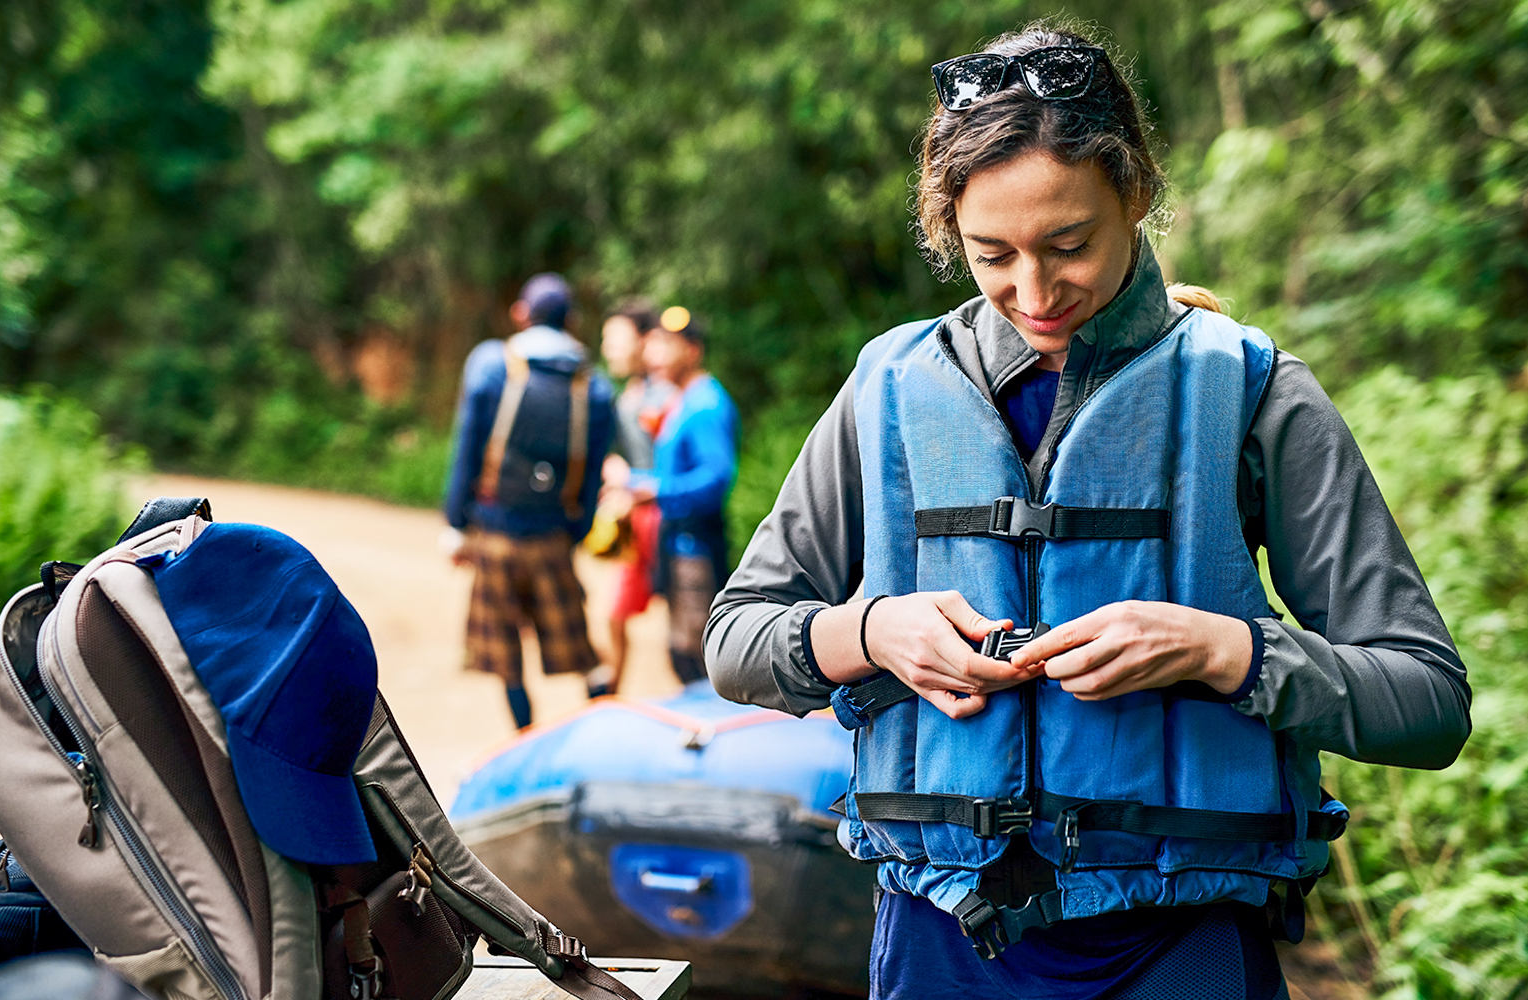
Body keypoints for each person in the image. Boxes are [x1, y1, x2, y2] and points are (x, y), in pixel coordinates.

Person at [705, 21, 1471, 1000]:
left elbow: (1428, 703)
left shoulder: (1252, 390)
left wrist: (1221, 650)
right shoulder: (886, 387)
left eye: (1068, 244)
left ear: (1135, 195)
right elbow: (735, 640)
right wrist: (870, 631)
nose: (1034, 291)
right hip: (940, 946)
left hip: (1179, 948)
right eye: (990, 254)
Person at [443, 273, 616, 728]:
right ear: (571, 320)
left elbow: (467, 446)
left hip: (495, 532)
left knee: (505, 654)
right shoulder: (593, 384)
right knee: (580, 648)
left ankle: (524, 734)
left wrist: (456, 523)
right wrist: (575, 533)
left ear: (521, 314)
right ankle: (603, 726)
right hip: (553, 535)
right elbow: (591, 471)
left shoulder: (492, 364)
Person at [631, 306, 739, 685]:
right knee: (682, 652)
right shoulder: (680, 399)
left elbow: (716, 478)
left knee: (698, 657)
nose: (654, 355)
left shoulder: (705, 404)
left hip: (696, 548)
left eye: (668, 345)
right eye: (654, 344)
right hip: (677, 544)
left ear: (693, 351)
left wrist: (655, 491)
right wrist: (632, 481)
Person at [591, 298, 676, 697]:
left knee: (681, 622)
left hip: (665, 517)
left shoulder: (667, 394)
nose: (608, 348)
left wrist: (632, 481)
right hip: (636, 517)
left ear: (645, 340)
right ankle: (611, 693)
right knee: (614, 613)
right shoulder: (629, 392)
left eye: (616, 339)